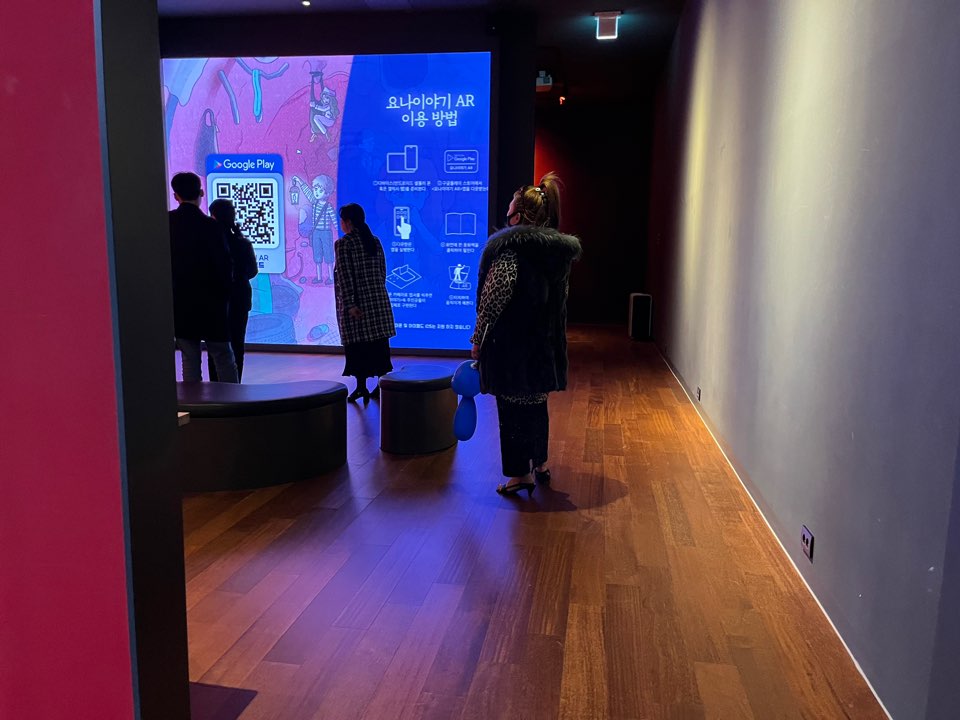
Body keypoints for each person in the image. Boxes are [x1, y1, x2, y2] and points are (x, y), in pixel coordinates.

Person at [471, 172, 581, 497]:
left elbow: (491, 303)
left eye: (511, 203)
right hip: (543, 349)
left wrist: (477, 340)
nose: (507, 207)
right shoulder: (556, 257)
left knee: (512, 410)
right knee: (536, 405)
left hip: (512, 351)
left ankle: (520, 475)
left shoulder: (510, 253)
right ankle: (540, 464)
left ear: (518, 215)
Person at [169, 171, 238, 383]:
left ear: (176, 196)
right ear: (201, 193)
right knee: (223, 356)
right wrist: (226, 295)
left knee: (189, 358)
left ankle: (194, 402)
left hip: (180, 302)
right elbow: (224, 265)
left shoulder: (166, 223)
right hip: (212, 304)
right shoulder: (211, 226)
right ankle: (232, 399)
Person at [334, 203, 396, 402]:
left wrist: (350, 305)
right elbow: (383, 272)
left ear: (348, 222)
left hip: (358, 305)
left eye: (342, 220)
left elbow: (344, 277)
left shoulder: (344, 243)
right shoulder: (374, 240)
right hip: (378, 302)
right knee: (378, 347)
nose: (341, 224)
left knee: (358, 348)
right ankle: (380, 387)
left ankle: (361, 387)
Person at [207, 198, 259, 382]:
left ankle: (215, 385)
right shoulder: (242, 243)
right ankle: (235, 385)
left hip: (214, 299)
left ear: (213, 216)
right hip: (240, 297)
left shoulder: (209, 243)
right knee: (237, 344)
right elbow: (252, 271)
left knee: (215, 346)